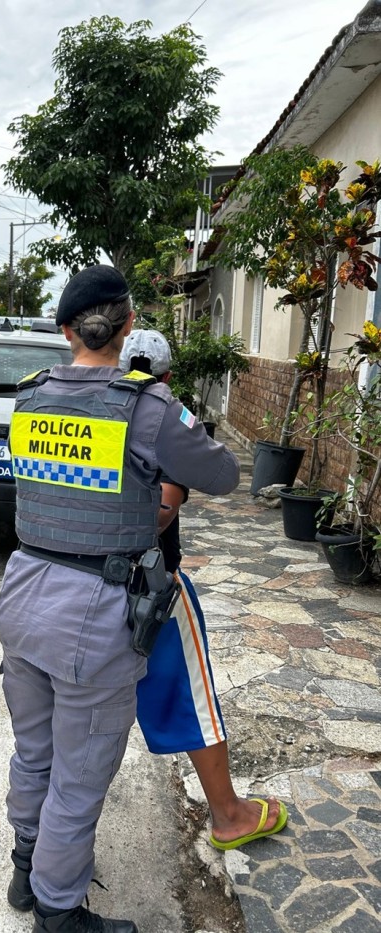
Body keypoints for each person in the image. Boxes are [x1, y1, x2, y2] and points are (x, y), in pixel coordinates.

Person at [0, 266, 240, 933]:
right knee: (79, 773)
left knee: (34, 752)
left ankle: (27, 863)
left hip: (23, 593)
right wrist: (173, 425)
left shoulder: (30, 397)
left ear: (64, 330)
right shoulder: (146, 406)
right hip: (93, 612)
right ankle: (58, 907)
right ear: (128, 325)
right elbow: (223, 473)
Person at [119, 329, 288, 850]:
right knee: (191, 697)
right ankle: (229, 816)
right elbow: (169, 506)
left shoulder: (91, 409)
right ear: (168, 376)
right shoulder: (165, 418)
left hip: (77, 580)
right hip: (151, 587)